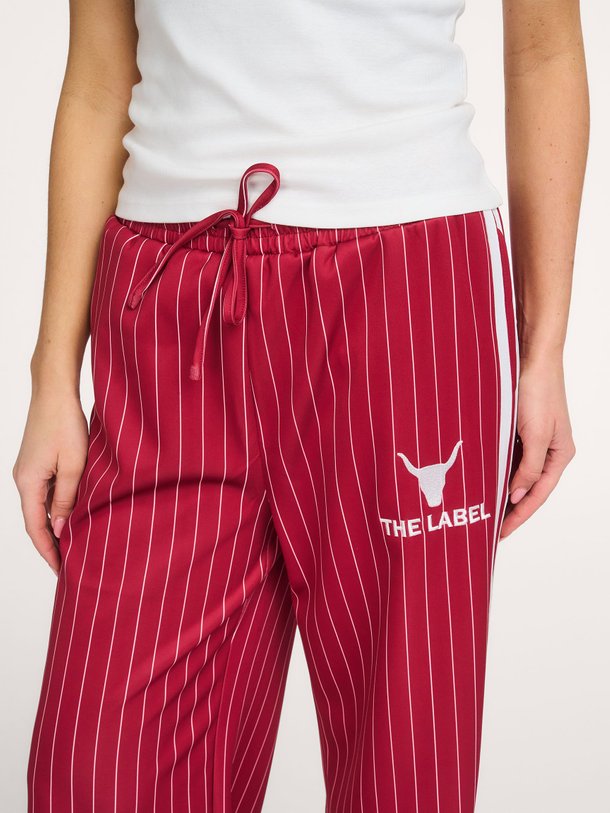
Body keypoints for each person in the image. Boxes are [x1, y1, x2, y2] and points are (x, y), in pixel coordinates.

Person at [14, 0, 588, 811]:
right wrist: (51, 374)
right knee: (100, 772)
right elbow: (98, 82)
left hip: (405, 292)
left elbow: (544, 52)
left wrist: (545, 345)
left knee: (404, 768)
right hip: (169, 304)